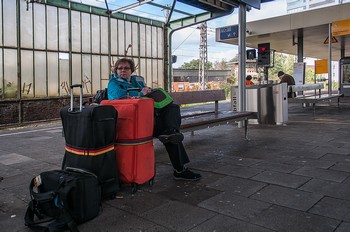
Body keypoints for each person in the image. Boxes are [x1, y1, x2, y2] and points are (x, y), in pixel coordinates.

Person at [108, 58, 201, 181]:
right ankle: (180, 168)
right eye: (120, 68)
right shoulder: (114, 83)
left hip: (148, 119)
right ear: (116, 70)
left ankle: (172, 136)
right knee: (169, 132)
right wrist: (141, 94)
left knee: (172, 115)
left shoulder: (137, 81)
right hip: (132, 123)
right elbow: (117, 98)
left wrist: (149, 91)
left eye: (126, 68)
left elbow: (147, 94)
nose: (123, 70)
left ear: (132, 70)